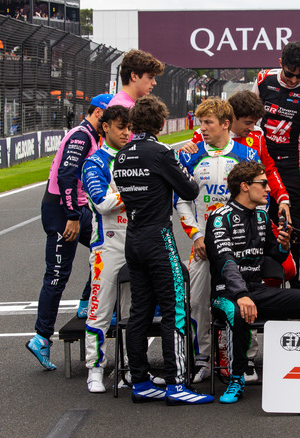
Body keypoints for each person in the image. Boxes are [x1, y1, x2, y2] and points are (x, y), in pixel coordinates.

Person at [113, 95, 213, 405]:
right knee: (176, 308)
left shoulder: (121, 155)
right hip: (158, 237)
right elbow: (190, 189)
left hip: (133, 238)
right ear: (160, 124)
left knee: (139, 311)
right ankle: (176, 384)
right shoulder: (160, 152)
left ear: (133, 124)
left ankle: (140, 381)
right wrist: (179, 163)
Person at [206, 161, 300, 404]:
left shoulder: (261, 216)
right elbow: (225, 261)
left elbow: (275, 255)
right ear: (244, 186)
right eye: (263, 183)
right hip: (226, 294)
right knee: (239, 312)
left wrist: (283, 246)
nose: (268, 189)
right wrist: (240, 294)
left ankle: (298, 366)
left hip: (257, 290)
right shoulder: (220, 218)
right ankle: (237, 377)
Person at [176, 97, 270, 384]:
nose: (202, 128)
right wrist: (196, 236)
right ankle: (203, 359)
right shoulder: (189, 156)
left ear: (225, 124)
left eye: (208, 123)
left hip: (239, 245)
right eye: (200, 122)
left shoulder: (247, 155)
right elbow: (180, 202)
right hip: (203, 245)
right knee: (196, 302)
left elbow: (261, 200)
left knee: (244, 299)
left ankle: (246, 359)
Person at [26, 93, 112, 371]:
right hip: (63, 210)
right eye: (110, 118)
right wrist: (73, 216)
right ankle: (41, 337)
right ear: (99, 113)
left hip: (77, 208)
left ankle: (86, 303)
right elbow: (65, 175)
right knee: (57, 274)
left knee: (105, 248)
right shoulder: (81, 136)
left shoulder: (91, 134)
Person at [251, 42, 300, 290]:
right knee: (260, 225)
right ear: (280, 63)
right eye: (289, 74)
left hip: (293, 165)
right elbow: (247, 116)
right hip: (261, 162)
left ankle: (299, 286)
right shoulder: (263, 79)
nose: (293, 80)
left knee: (296, 228)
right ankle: (263, 283)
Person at [81, 105, 132, 393]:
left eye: (128, 128)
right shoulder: (94, 163)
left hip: (136, 242)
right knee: (100, 310)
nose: (125, 132)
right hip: (107, 246)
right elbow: (101, 203)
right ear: (105, 128)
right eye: (119, 127)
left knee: (132, 311)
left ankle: (127, 368)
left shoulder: (134, 156)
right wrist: (136, 190)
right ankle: (95, 369)